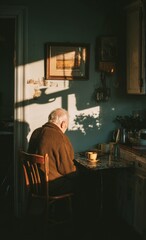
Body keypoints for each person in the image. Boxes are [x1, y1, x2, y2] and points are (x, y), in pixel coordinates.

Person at [27, 108, 79, 196]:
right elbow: (67, 170)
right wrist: (79, 171)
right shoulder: (59, 137)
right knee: (83, 180)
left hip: (35, 185)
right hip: (51, 187)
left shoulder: (36, 132)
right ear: (63, 124)